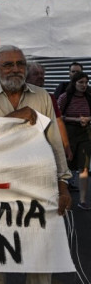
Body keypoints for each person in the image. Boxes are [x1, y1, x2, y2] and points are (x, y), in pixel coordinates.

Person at [0, 45, 72, 284]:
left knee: (40, 249)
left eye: (20, 64)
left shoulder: (42, 96)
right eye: (8, 64)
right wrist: (14, 118)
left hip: (37, 185)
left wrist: (63, 185)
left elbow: (54, 143)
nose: (16, 69)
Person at [57, 72, 91, 210]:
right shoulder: (66, 97)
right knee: (67, 165)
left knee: (84, 166)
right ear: (74, 83)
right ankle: (63, 196)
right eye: (80, 82)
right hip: (69, 133)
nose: (83, 85)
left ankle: (82, 200)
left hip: (85, 133)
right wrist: (76, 119)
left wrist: (88, 119)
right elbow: (58, 115)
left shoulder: (89, 97)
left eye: (86, 82)